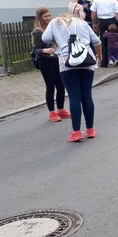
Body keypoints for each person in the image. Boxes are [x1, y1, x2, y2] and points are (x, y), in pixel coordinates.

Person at [42, 13, 102, 142]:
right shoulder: (82, 23)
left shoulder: (55, 22)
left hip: (67, 61)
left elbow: (45, 38)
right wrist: (99, 56)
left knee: (74, 97)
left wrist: (57, 40)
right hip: (87, 60)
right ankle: (90, 129)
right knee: (87, 95)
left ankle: (76, 132)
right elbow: (97, 41)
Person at [31, 6, 69, 123]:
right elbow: (36, 50)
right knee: (50, 86)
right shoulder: (38, 31)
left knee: (61, 85)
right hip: (45, 62)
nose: (48, 18)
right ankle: (52, 112)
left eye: (49, 15)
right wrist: (44, 51)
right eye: (45, 16)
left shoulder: (52, 27)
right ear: (40, 17)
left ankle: (61, 109)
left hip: (56, 60)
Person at [91, 0, 118, 67]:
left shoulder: (97, 0)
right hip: (112, 21)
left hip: (102, 21)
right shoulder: (113, 0)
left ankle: (104, 63)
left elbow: (93, 13)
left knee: (104, 42)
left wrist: (95, 23)